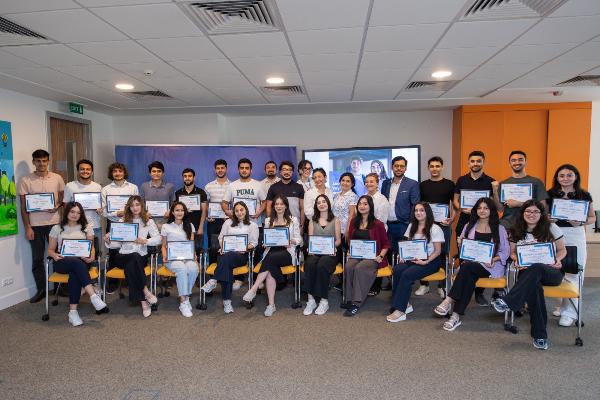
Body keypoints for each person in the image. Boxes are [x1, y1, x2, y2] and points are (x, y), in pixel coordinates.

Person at [491, 200, 567, 350]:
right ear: (523, 213)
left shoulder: (552, 227)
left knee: (537, 267)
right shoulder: (516, 229)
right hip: (527, 273)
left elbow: (562, 249)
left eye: (535, 211)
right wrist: (517, 260)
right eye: (528, 211)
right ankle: (540, 336)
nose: (531, 214)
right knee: (534, 289)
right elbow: (513, 253)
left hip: (551, 271)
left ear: (541, 214)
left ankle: (509, 301)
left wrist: (557, 260)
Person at [433, 198, 509, 331]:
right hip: (471, 266)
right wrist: (461, 244)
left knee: (467, 268)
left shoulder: (500, 228)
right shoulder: (469, 225)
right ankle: (455, 316)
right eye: (479, 208)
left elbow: (505, 252)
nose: (482, 211)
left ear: (491, 211)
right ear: (475, 210)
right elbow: (464, 249)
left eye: (486, 208)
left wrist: (494, 259)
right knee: (469, 278)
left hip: (490, 267)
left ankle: (448, 300)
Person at [547, 164, 595, 326]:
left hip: (575, 234)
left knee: (574, 270)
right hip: (553, 232)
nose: (565, 178)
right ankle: (560, 305)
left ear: (576, 177)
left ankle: (569, 313)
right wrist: (548, 218)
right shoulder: (550, 194)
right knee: (556, 268)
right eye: (561, 175)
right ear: (557, 177)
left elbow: (592, 217)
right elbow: (542, 214)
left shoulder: (584, 195)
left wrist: (581, 222)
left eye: (569, 175)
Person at [47, 202, 109, 326]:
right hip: (62, 261)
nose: (75, 215)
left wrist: (91, 256)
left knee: (75, 273)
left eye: (78, 213)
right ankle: (93, 295)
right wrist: (54, 255)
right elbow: (50, 250)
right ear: (67, 212)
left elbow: (91, 247)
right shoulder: (57, 228)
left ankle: (73, 313)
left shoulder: (86, 227)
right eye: (72, 212)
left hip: (82, 261)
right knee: (76, 265)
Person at [242, 195, 302, 317]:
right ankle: (271, 305)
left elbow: (299, 239)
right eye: (276, 204)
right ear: (273, 206)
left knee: (269, 260)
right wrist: (265, 242)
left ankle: (254, 288)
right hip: (271, 251)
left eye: (281, 204)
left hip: (287, 252)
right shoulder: (268, 220)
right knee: (269, 270)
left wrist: (291, 241)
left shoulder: (293, 220)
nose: (279, 206)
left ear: (286, 206)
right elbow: (266, 239)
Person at [18, 149, 65, 303]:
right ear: (34, 162)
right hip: (35, 225)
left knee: (59, 256)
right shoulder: (25, 180)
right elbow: (23, 207)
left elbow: (63, 200)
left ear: (48, 161)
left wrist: (57, 206)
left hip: (55, 224)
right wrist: (27, 227)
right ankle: (41, 290)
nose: (41, 163)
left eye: (44, 160)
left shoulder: (57, 178)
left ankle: (59, 287)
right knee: (37, 258)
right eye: (38, 161)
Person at [105, 195, 162, 318]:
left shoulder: (148, 221)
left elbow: (158, 239)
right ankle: (146, 291)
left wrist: (145, 241)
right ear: (128, 207)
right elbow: (116, 244)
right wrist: (108, 241)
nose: (135, 208)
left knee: (133, 263)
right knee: (133, 258)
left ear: (142, 206)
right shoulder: (122, 221)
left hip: (140, 256)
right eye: (132, 205)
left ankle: (143, 301)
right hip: (122, 256)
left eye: (137, 205)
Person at [387, 202, 444, 322]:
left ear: (427, 212)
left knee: (407, 274)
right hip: (414, 258)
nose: (418, 213)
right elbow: (408, 245)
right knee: (397, 269)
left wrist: (426, 261)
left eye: (421, 210)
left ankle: (400, 310)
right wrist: (403, 255)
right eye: (416, 210)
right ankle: (405, 304)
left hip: (431, 260)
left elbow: (438, 251)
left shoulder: (435, 228)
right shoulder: (412, 226)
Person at [453, 150, 495, 306]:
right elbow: (455, 200)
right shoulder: (461, 180)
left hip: (485, 225)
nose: (475, 163)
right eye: (472, 161)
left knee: (482, 256)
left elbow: (492, 204)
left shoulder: (490, 181)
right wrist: (462, 208)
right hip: (464, 222)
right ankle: (463, 289)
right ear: (468, 162)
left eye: (478, 161)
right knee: (465, 255)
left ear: (483, 162)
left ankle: (479, 292)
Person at [201, 201, 259, 314]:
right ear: (233, 212)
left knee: (227, 259)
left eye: (241, 210)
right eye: (236, 211)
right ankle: (227, 302)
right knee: (226, 264)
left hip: (241, 255)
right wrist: (223, 247)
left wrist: (244, 247)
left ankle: (214, 280)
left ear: (246, 210)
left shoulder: (253, 225)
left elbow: (254, 243)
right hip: (225, 253)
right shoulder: (228, 222)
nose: (239, 213)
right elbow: (221, 238)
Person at [342, 195, 390, 317]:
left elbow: (386, 244)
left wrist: (380, 256)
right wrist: (350, 251)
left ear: (370, 206)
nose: (362, 206)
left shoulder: (378, 224)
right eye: (360, 204)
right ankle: (349, 298)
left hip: (373, 257)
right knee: (348, 266)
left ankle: (356, 303)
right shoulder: (354, 222)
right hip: (357, 255)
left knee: (360, 268)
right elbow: (351, 240)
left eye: (365, 204)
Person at [416, 156, 456, 298]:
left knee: (443, 254)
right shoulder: (423, 185)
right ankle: (424, 284)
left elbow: (454, 204)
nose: (434, 168)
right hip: (425, 225)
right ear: (428, 168)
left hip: (443, 225)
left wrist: (452, 219)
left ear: (442, 167)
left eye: (437, 166)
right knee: (423, 252)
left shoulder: (450, 184)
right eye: (432, 166)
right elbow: (419, 205)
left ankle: (442, 285)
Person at [380, 156, 419, 294]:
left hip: (404, 224)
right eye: (396, 166)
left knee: (405, 255)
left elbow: (415, 205)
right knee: (390, 253)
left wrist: (412, 225)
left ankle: (405, 281)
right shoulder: (385, 183)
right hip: (388, 225)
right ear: (392, 167)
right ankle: (393, 280)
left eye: (402, 166)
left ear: (405, 168)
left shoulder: (412, 184)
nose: (399, 168)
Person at [101, 162, 139, 293]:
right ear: (111, 173)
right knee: (113, 252)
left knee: (131, 249)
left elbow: (138, 205)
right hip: (113, 223)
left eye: (120, 171)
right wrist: (116, 213)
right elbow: (103, 211)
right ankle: (113, 282)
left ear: (124, 172)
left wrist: (128, 213)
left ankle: (129, 278)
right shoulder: (106, 189)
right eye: (115, 171)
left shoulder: (133, 187)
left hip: (130, 223)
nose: (117, 173)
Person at [303, 195, 341, 316]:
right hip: (316, 252)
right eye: (318, 202)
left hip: (331, 252)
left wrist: (331, 247)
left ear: (328, 204)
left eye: (323, 201)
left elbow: (338, 240)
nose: (321, 204)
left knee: (322, 265)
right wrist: (311, 249)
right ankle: (311, 300)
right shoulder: (312, 221)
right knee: (309, 264)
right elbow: (310, 239)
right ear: (316, 206)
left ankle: (324, 301)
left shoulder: (335, 220)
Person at [161, 202, 199, 318]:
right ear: (172, 212)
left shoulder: (190, 226)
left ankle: (186, 296)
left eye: (182, 210)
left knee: (193, 268)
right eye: (177, 210)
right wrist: (164, 256)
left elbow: (191, 243)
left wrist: (194, 255)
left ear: (185, 212)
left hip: (187, 257)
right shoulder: (166, 227)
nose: (180, 212)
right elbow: (163, 245)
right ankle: (183, 302)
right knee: (182, 269)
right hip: (172, 258)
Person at [492, 150, 548, 228]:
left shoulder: (536, 182)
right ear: (509, 164)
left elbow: (542, 207)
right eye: (513, 160)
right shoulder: (503, 184)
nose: (517, 162)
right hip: (507, 225)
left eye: (520, 160)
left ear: (526, 162)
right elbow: (500, 209)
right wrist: (495, 191)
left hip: (529, 226)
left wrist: (519, 204)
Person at [63, 159, 103, 259]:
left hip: (94, 226)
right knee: (77, 254)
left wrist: (100, 209)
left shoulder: (97, 187)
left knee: (94, 255)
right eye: (82, 169)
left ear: (92, 171)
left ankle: (94, 270)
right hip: (76, 226)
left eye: (88, 169)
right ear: (78, 171)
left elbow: (101, 205)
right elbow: (66, 207)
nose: (85, 171)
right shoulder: (70, 186)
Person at [175, 168, 208, 251]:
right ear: (183, 178)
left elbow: (204, 211)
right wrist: (184, 210)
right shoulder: (178, 193)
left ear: (194, 177)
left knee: (196, 251)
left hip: (197, 227)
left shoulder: (201, 192)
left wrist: (201, 227)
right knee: (182, 250)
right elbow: (175, 210)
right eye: (185, 176)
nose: (187, 178)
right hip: (181, 228)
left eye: (190, 176)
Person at [205, 159, 230, 264]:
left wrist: (230, 215)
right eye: (218, 168)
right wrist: (207, 215)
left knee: (228, 245)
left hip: (228, 220)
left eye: (222, 168)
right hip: (213, 221)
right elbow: (205, 204)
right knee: (213, 247)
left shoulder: (232, 185)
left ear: (226, 169)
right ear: (215, 170)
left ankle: (227, 268)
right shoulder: (208, 186)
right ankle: (213, 270)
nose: (220, 170)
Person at [139, 161, 175, 228]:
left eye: (159, 171)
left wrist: (170, 212)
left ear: (163, 173)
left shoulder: (170, 186)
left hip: (166, 222)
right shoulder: (144, 186)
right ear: (150, 173)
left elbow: (173, 203)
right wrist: (144, 213)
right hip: (148, 222)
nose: (156, 173)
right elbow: (141, 203)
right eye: (154, 171)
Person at [332, 172, 358, 238]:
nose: (345, 183)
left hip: (344, 231)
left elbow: (351, 215)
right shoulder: (336, 195)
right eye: (343, 180)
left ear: (352, 184)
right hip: (334, 228)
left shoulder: (353, 196)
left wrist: (347, 230)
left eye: (348, 181)